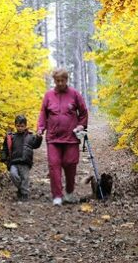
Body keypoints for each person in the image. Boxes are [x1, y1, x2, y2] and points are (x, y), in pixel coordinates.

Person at [37, 67, 89, 206]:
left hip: (71, 137)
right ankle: (57, 196)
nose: (60, 83)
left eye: (62, 80)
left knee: (70, 163)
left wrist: (80, 126)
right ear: (54, 81)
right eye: (57, 80)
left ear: (67, 80)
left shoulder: (74, 94)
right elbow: (43, 113)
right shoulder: (48, 95)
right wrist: (41, 128)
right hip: (53, 138)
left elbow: (83, 112)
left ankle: (70, 192)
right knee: (54, 165)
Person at [0, 114, 43, 201]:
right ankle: (21, 189)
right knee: (13, 175)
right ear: (15, 125)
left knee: (25, 178)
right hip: (13, 162)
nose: (20, 128)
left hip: (25, 162)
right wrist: (3, 157)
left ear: (25, 126)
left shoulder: (30, 137)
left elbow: (36, 145)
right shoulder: (11, 137)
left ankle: (24, 194)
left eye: (22, 126)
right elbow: (4, 148)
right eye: (18, 126)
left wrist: (39, 138)